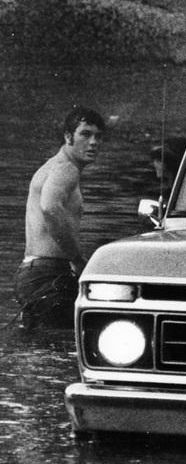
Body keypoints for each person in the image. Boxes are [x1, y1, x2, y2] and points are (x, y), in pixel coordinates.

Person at [13, 107, 106, 329]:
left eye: (98, 136)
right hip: (47, 275)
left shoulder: (52, 166)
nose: (93, 142)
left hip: (34, 274)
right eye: (85, 134)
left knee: (39, 348)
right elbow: (49, 207)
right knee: (65, 345)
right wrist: (76, 258)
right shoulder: (67, 169)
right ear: (67, 137)